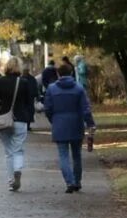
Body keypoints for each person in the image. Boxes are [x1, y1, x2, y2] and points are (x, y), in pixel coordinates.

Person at [41, 60, 95, 193]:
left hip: (59, 123)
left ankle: (69, 181)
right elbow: (86, 109)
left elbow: (47, 108)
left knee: (63, 155)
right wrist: (90, 124)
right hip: (76, 123)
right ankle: (77, 181)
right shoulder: (78, 88)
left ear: (58, 74)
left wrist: (53, 120)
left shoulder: (52, 89)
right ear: (71, 73)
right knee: (77, 155)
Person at [0, 56, 39, 191]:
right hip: (20, 119)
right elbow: (30, 103)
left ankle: (11, 180)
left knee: (8, 152)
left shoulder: (0, 82)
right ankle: (17, 170)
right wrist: (29, 117)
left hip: (4, 119)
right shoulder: (23, 82)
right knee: (18, 149)